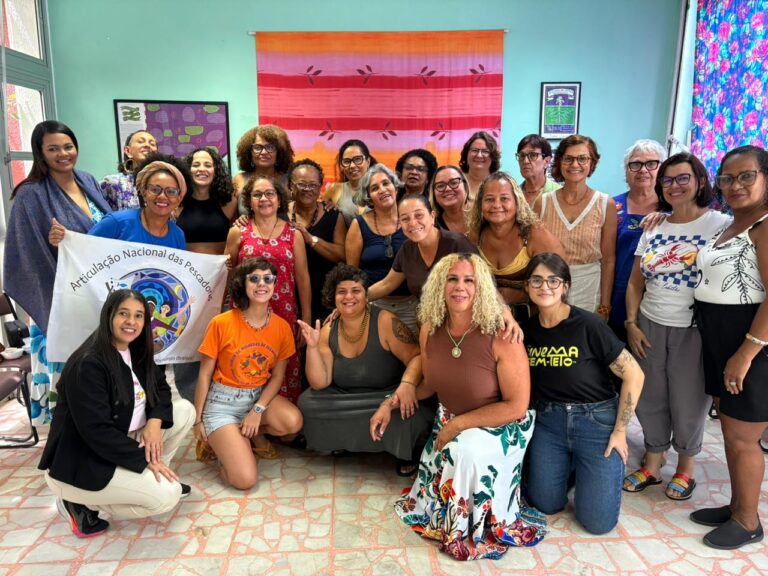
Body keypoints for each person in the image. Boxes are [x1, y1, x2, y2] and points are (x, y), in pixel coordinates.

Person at [372, 253, 546, 560]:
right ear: (440, 286)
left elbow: (517, 406)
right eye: (452, 279)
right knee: (456, 446)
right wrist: (391, 402)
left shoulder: (502, 334)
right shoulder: (430, 328)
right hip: (450, 420)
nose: (460, 287)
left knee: (464, 451)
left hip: (501, 425)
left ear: (482, 288)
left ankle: (469, 528)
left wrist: (458, 425)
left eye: (469, 280)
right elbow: (430, 384)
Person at [38, 289, 195, 537]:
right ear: (109, 315)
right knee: (168, 495)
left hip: (123, 439)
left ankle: (154, 476)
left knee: (185, 410)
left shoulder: (136, 349)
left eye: (138, 315)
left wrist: (154, 422)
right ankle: (78, 502)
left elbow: (161, 388)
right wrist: (145, 460)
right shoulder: (89, 363)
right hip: (83, 461)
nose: (131, 322)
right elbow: (96, 432)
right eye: (124, 313)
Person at [623, 153, 729, 501]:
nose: (674, 186)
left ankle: (686, 467)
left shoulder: (720, 224)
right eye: (667, 180)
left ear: (700, 181)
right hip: (650, 322)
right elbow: (635, 282)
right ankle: (653, 462)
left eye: (683, 178)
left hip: (694, 328)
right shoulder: (655, 226)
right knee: (650, 396)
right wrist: (631, 322)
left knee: (688, 399)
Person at [523, 253, 644, 535]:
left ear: (565, 286)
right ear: (527, 286)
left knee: (597, 523)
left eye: (553, 280)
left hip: (596, 422)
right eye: (536, 280)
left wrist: (620, 431)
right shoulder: (526, 330)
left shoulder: (589, 325)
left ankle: (584, 468)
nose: (545, 287)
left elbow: (634, 374)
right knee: (545, 504)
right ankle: (572, 467)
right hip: (549, 423)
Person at [4, 120, 112, 424]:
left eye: (68, 146)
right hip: (57, 297)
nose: (63, 154)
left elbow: (106, 231)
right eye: (53, 149)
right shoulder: (30, 194)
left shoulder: (87, 181)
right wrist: (56, 245)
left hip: (98, 293)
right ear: (40, 153)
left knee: (100, 371)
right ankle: (69, 434)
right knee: (70, 375)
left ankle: (101, 428)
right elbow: (24, 252)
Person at [691, 145, 768, 549]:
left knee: (742, 436)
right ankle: (737, 505)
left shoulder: (765, 225)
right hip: (719, 335)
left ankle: (748, 521)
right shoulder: (733, 224)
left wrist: (745, 353)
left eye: (746, 176)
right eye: (727, 178)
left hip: (749, 340)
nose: (735, 185)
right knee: (730, 427)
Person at [297, 264, 433, 474]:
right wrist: (312, 348)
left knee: (412, 411)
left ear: (366, 295)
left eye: (356, 291)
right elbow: (320, 382)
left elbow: (417, 356)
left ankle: (402, 451)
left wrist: (406, 385)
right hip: (346, 397)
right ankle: (347, 441)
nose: (348, 297)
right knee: (307, 404)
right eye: (342, 292)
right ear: (333, 297)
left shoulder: (385, 321)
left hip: (386, 395)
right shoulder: (328, 329)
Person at [194, 259, 303, 489]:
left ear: (274, 284)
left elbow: (277, 376)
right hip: (222, 404)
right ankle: (219, 442)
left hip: (257, 397)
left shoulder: (282, 327)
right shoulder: (221, 323)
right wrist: (198, 420)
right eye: (254, 278)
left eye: (268, 278)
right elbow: (204, 375)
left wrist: (257, 410)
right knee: (244, 480)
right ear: (242, 285)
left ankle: (244, 434)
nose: (262, 283)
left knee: (292, 422)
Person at [225, 175, 311, 404]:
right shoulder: (237, 232)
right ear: (249, 201)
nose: (264, 199)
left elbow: (302, 278)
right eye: (257, 194)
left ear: (279, 200)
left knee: (283, 367)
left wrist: (306, 318)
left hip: (284, 313)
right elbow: (227, 274)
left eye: (270, 193)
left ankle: (281, 419)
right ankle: (245, 417)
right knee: (247, 362)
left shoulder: (293, 234)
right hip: (245, 313)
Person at [171, 147, 238, 402]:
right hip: (186, 284)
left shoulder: (229, 202)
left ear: (216, 170)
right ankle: (192, 400)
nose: (202, 169)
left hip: (220, 284)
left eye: (207, 164)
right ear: (187, 170)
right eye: (196, 164)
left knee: (220, 340)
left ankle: (221, 399)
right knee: (188, 340)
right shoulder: (178, 202)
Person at [366, 194, 477, 335]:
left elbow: (485, 284)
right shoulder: (407, 249)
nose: (412, 223)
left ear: (432, 216)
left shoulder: (457, 243)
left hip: (466, 323)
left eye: (419, 215)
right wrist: (357, 298)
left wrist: (502, 313)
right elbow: (386, 284)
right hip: (429, 324)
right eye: (405, 219)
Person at [534, 135, 617, 318]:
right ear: (559, 162)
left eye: (582, 158)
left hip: (590, 289)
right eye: (568, 159)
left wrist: (605, 305)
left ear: (592, 163)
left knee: (584, 335)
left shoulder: (605, 204)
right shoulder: (543, 203)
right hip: (551, 286)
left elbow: (608, 260)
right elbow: (536, 254)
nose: (575, 164)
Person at [468, 172, 564, 318]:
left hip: (538, 318)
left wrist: (522, 294)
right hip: (491, 319)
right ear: (480, 204)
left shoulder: (535, 236)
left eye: (504, 198)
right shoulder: (475, 236)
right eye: (489, 199)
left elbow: (558, 284)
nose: (496, 205)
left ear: (517, 201)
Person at [50, 154, 191, 250]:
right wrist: (65, 240)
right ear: (143, 191)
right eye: (155, 189)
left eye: (171, 191)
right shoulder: (116, 223)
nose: (162, 196)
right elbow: (83, 251)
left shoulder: (177, 236)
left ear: (179, 198)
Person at [609, 139, 667, 340]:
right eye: (635, 164)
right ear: (627, 171)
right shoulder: (612, 206)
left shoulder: (673, 209)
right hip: (617, 294)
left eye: (651, 164)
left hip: (659, 298)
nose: (643, 170)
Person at [345, 164, 410, 322]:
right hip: (372, 303)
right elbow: (352, 273)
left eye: (386, 183)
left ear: (395, 187)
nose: (382, 190)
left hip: (411, 304)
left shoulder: (411, 219)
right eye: (374, 188)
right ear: (368, 197)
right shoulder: (358, 224)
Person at [286, 158, 347, 322]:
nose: (307, 189)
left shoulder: (333, 215)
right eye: (301, 184)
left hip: (325, 295)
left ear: (320, 187)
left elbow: (342, 255)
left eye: (313, 185)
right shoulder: (279, 214)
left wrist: (311, 239)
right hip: (288, 295)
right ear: (291, 186)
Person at [324, 139, 378, 226]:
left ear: (368, 162)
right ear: (342, 165)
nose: (352, 166)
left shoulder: (380, 189)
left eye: (357, 159)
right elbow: (319, 217)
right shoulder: (334, 189)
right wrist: (330, 211)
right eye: (346, 161)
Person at [100, 130, 158, 211]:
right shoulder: (112, 182)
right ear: (128, 151)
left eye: (152, 144)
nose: (147, 145)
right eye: (141, 141)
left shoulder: (163, 182)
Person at [232, 125, 294, 195]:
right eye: (257, 147)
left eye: (270, 147)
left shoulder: (288, 180)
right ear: (249, 152)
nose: (264, 152)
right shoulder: (239, 180)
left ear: (279, 152)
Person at [515, 134, 559, 206]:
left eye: (533, 155)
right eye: (522, 155)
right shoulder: (514, 195)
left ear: (546, 161)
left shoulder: (559, 193)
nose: (525, 161)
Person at [459, 131, 500, 205]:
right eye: (475, 150)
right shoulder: (456, 182)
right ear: (466, 154)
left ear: (493, 157)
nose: (479, 155)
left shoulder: (500, 184)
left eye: (485, 151)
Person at [430, 165, 470, 235]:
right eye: (440, 186)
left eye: (454, 183)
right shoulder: (432, 226)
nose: (447, 189)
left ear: (465, 186)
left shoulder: (482, 214)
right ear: (434, 194)